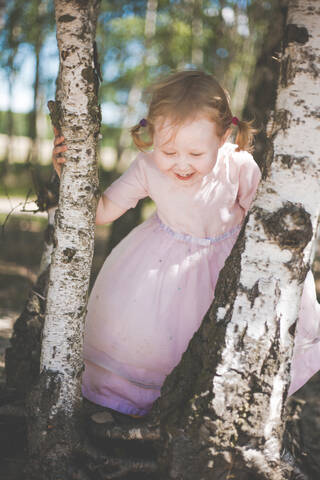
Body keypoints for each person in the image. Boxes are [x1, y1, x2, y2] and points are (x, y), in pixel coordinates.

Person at [52, 70, 320, 417]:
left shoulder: (238, 166)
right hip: (160, 268)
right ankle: (137, 407)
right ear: (151, 134)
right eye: (169, 150)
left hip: (226, 269)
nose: (180, 163)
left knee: (219, 347)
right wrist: (68, 175)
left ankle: (210, 411)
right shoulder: (147, 168)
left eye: (195, 153)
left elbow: (268, 225)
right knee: (146, 340)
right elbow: (102, 212)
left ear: (224, 136)